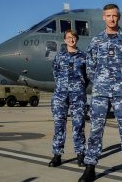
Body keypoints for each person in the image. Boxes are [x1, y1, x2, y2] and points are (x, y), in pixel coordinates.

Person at [78, 4, 122, 182]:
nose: (112, 19)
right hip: (100, 92)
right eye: (108, 16)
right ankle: (90, 167)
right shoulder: (96, 41)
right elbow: (90, 67)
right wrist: (99, 81)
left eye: (114, 16)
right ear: (103, 17)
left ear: (118, 17)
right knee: (96, 129)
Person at [48, 29, 87, 168]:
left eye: (73, 37)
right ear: (65, 40)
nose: (71, 40)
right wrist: (63, 86)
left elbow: (87, 76)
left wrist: (78, 86)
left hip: (78, 95)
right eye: (68, 37)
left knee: (78, 125)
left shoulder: (84, 57)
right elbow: (55, 73)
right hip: (60, 95)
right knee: (59, 124)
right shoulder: (59, 57)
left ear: (77, 39)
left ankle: (81, 154)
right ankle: (57, 155)